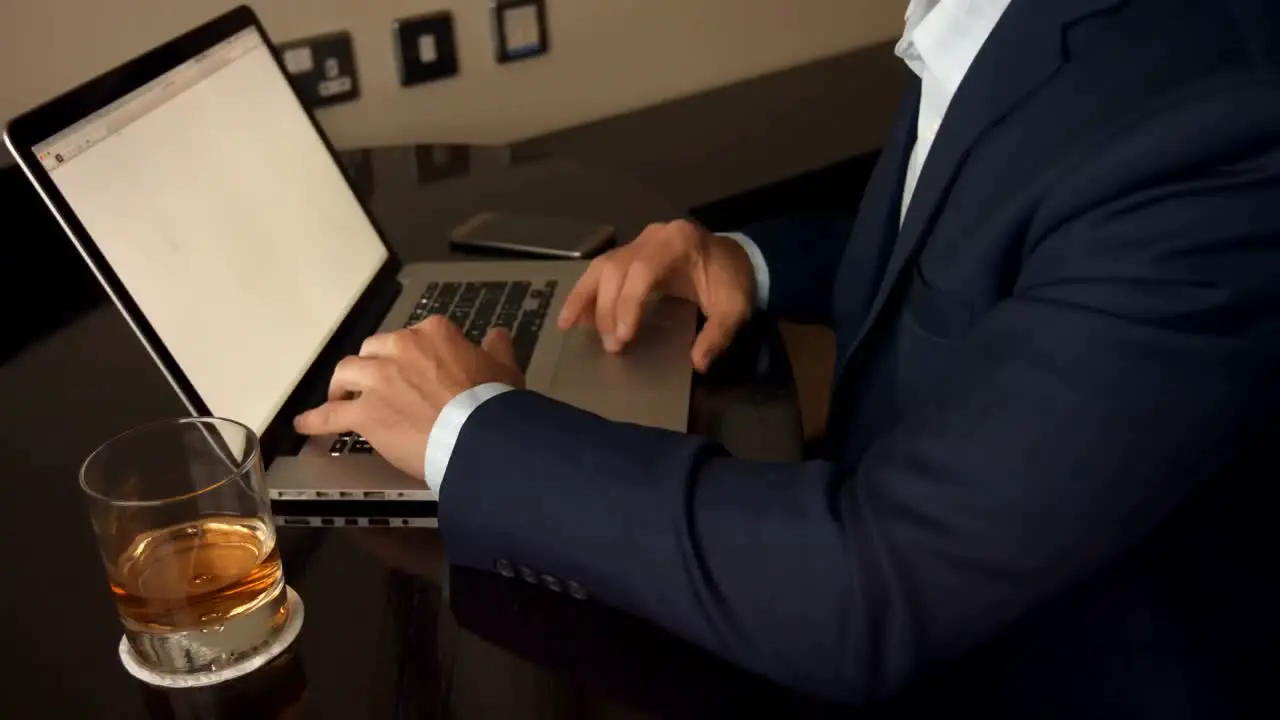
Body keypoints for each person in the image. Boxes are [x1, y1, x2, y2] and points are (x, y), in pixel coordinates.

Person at [295, 0, 1280, 712]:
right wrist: (743, 262)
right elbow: (985, 229)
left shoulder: (1212, 111)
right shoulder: (1007, 24)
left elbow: (870, 590)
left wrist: (474, 432)